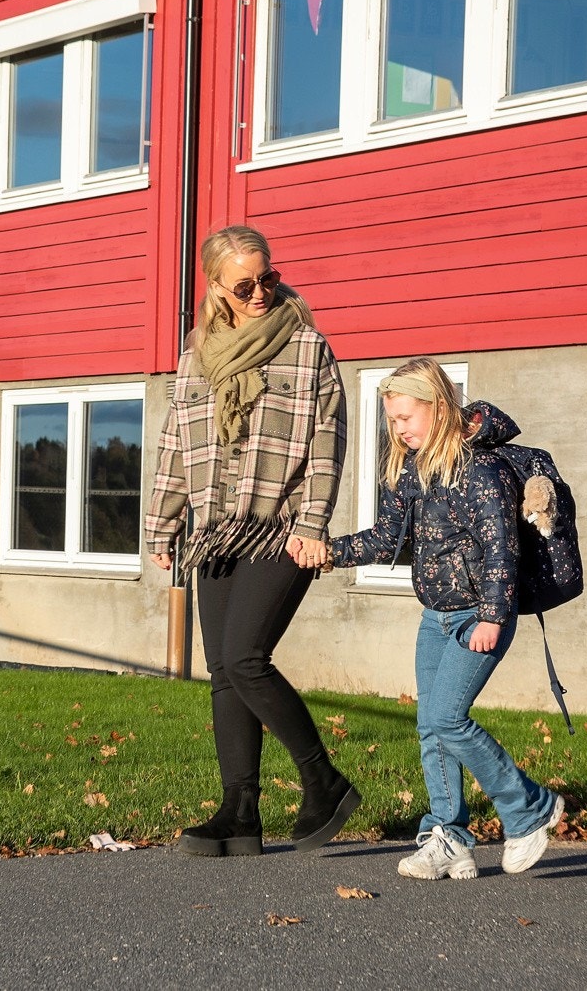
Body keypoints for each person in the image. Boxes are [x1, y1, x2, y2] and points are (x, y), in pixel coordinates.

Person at [145, 224, 360, 857]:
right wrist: (163, 523)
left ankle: (323, 780)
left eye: (269, 275)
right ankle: (239, 812)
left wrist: (314, 525)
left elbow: (328, 446)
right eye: (246, 283)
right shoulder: (198, 354)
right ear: (216, 286)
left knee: (244, 658)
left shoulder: (307, 347)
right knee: (222, 673)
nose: (263, 290)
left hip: (280, 527)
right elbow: (174, 443)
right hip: (213, 529)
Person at [320, 357, 564, 879]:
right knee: (431, 727)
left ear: (438, 405)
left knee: (448, 718)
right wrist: (329, 551)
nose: (399, 429)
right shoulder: (410, 469)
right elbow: (388, 539)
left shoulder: (481, 469)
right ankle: (448, 837)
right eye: (392, 421)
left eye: (406, 417)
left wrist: (494, 617)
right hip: (436, 616)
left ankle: (529, 810)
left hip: (480, 614)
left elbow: (502, 550)